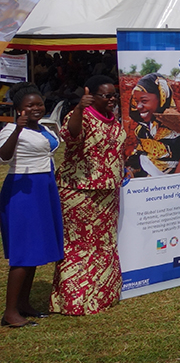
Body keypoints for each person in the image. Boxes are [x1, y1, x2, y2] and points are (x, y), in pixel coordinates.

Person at [50, 75, 127, 315]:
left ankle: (103, 295)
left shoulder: (114, 120)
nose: (112, 99)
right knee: (80, 245)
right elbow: (70, 137)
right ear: (91, 96)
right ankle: (75, 300)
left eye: (114, 95)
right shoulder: (81, 116)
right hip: (79, 192)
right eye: (106, 96)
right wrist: (78, 109)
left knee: (104, 243)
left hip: (107, 193)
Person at [0, 84, 63, 327]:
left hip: (44, 186)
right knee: (23, 252)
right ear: (18, 109)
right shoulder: (10, 129)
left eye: (38, 104)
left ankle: (24, 304)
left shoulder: (43, 127)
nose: (36, 108)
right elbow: (4, 156)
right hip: (23, 191)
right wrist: (18, 128)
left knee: (34, 250)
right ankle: (10, 313)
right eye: (29, 106)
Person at [126, 73, 180, 177]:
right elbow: (139, 155)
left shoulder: (178, 130)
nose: (138, 106)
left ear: (162, 98)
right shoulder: (142, 129)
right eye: (136, 101)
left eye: (144, 101)